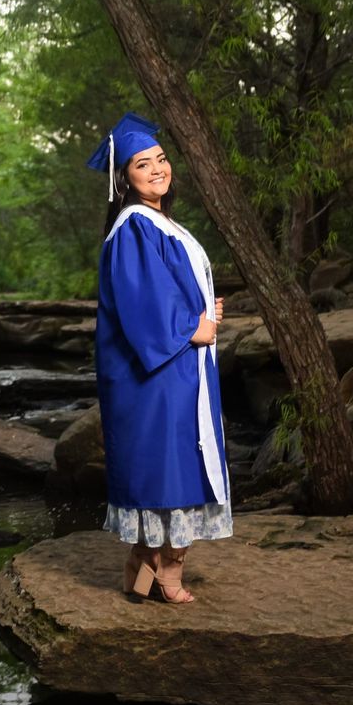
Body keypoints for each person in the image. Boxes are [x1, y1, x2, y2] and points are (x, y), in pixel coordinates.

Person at [87, 112, 231, 605]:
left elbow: (168, 287)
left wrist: (203, 308)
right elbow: (142, 300)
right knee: (169, 469)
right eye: (142, 164)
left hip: (179, 368)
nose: (157, 170)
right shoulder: (135, 226)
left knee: (176, 466)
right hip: (160, 373)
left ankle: (145, 568)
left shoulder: (160, 223)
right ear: (124, 177)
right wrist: (191, 327)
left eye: (161, 159)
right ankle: (162, 569)